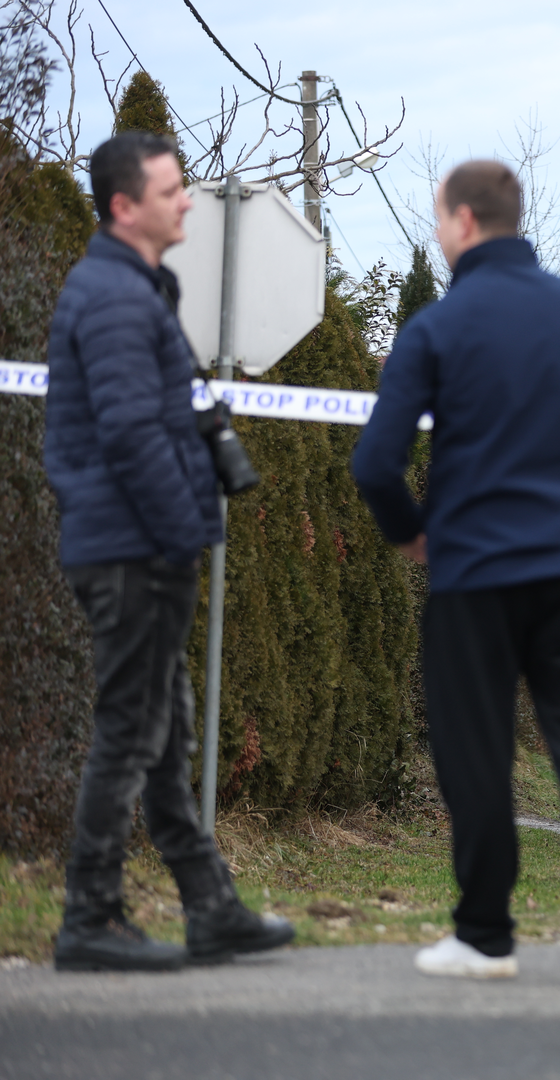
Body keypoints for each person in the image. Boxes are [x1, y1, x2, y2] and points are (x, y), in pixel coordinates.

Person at [351, 160, 560, 983]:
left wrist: (412, 534)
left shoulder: (436, 328)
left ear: (461, 221)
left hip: (472, 574)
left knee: (475, 752)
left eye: (438, 220)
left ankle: (485, 936)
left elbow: (376, 462)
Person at [43, 132, 294, 971]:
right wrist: (182, 532)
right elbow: (128, 434)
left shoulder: (136, 288)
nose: (187, 200)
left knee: (165, 728)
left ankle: (210, 909)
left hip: (138, 542)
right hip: (134, 548)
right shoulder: (115, 297)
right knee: (132, 730)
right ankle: (90, 918)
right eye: (169, 190)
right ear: (124, 207)